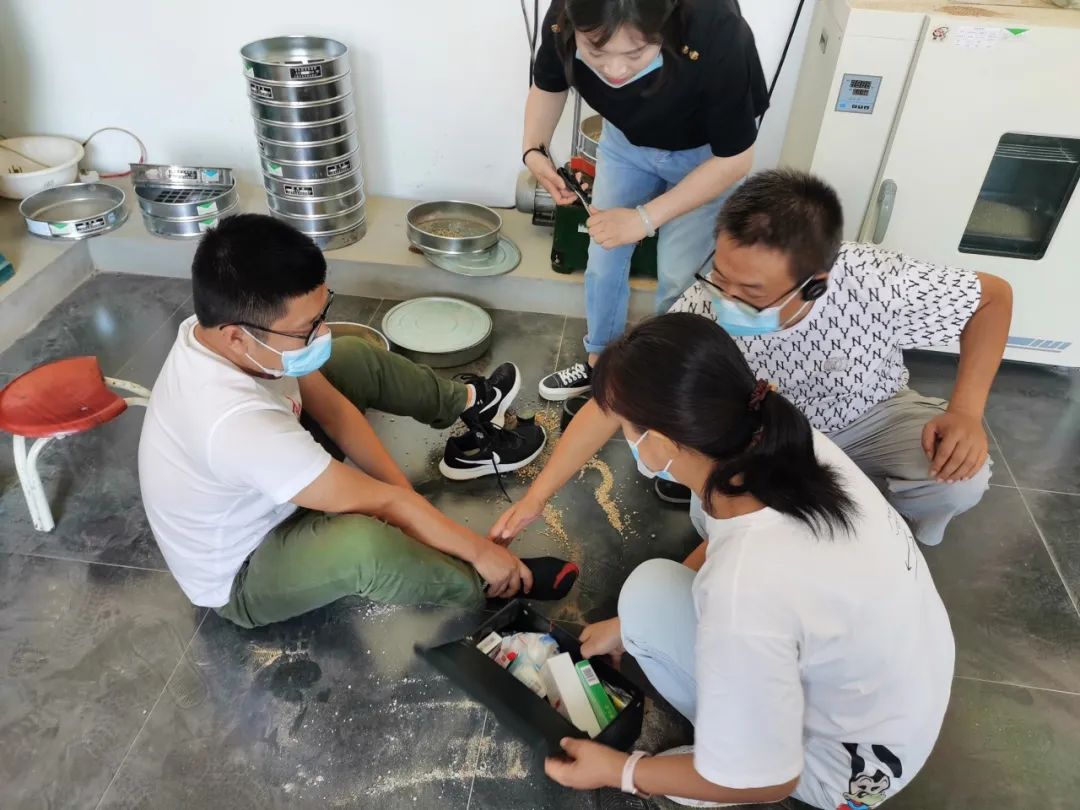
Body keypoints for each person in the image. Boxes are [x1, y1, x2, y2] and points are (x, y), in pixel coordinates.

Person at [493, 314, 954, 809]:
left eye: (626, 427)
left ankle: (711, 767)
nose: (622, 434)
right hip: (909, 699)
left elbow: (767, 781)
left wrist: (622, 770)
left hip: (843, 776)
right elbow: (729, 530)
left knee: (648, 594)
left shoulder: (742, 586)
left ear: (661, 444)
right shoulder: (782, 437)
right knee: (674, 558)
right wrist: (630, 628)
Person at [138, 214, 577, 629]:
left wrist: (410, 504)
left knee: (353, 359)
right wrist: (477, 549)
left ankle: (469, 403)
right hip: (245, 567)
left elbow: (335, 412)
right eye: (306, 329)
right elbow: (380, 504)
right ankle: (487, 580)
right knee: (363, 547)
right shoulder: (233, 423)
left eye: (321, 314)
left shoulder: (226, 328)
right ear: (237, 336)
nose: (322, 333)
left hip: (267, 487)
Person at [664, 169, 1012, 546]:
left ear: (815, 286)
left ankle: (893, 535)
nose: (725, 300)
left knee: (957, 479)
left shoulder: (878, 280)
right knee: (717, 515)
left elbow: (993, 299)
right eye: (719, 276)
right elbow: (649, 369)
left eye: (751, 292)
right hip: (762, 433)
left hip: (873, 416)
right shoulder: (700, 305)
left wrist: (965, 412)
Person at [524, 0, 769, 400]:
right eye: (596, 52)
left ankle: (663, 382)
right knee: (603, 255)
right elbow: (548, 84)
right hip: (624, 143)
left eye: (636, 53)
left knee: (679, 277)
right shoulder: (566, 15)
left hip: (705, 157)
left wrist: (643, 219)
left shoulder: (716, 29)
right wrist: (534, 150)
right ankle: (600, 363)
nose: (615, 71)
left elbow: (736, 158)